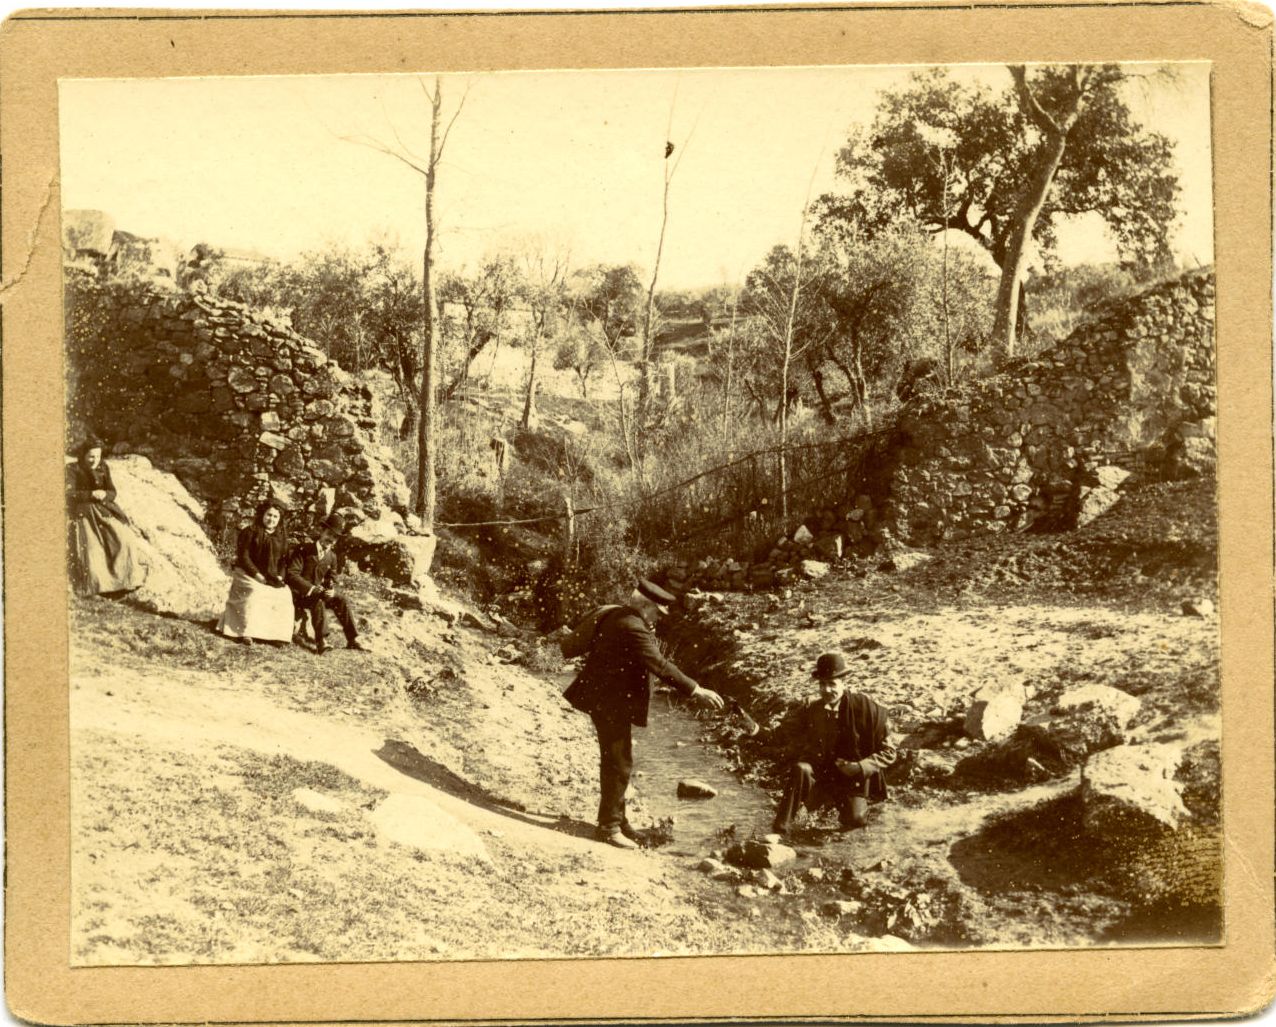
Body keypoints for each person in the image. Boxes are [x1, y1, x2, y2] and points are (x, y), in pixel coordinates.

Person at [563, 578, 724, 849]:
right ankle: (609, 827)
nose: (658, 620)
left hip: (605, 699)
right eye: (657, 614)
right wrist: (697, 690)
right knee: (618, 762)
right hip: (610, 703)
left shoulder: (619, 615)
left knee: (619, 760)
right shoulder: (631, 627)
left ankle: (618, 820)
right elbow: (660, 664)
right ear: (646, 606)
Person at [770, 652, 897, 836]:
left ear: (844, 684)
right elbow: (782, 736)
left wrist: (859, 767)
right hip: (823, 777)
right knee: (801, 768)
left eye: (832, 684)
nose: (826, 690)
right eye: (822, 684)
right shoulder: (813, 709)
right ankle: (780, 830)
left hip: (853, 781)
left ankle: (852, 805)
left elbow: (889, 752)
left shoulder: (865, 709)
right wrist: (752, 727)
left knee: (855, 820)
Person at [66, 438, 148, 596]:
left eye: (97, 456)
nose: (94, 460)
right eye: (90, 456)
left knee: (124, 540)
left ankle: (124, 582)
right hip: (84, 510)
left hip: (104, 509)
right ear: (83, 455)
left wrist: (105, 494)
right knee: (92, 548)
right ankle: (98, 587)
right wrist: (89, 494)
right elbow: (68, 493)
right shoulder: (73, 469)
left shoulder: (103, 467)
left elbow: (112, 492)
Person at [216, 500, 293, 646]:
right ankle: (246, 632)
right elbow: (244, 557)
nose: (271, 519)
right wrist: (257, 575)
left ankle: (275, 635)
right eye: (268, 515)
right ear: (262, 515)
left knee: (284, 594)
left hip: (270, 575)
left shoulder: (281, 536)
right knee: (255, 592)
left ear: (280, 519)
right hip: (247, 573)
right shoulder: (250, 531)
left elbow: (284, 560)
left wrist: (280, 576)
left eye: (275, 517)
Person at [285, 521, 366, 656]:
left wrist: (331, 590)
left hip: (317, 592)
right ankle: (321, 640)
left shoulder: (332, 556)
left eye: (334, 537)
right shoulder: (304, 549)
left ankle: (353, 638)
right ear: (321, 532)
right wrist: (311, 588)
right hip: (299, 594)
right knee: (318, 600)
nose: (330, 539)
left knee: (341, 599)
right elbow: (292, 574)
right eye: (329, 534)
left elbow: (332, 579)